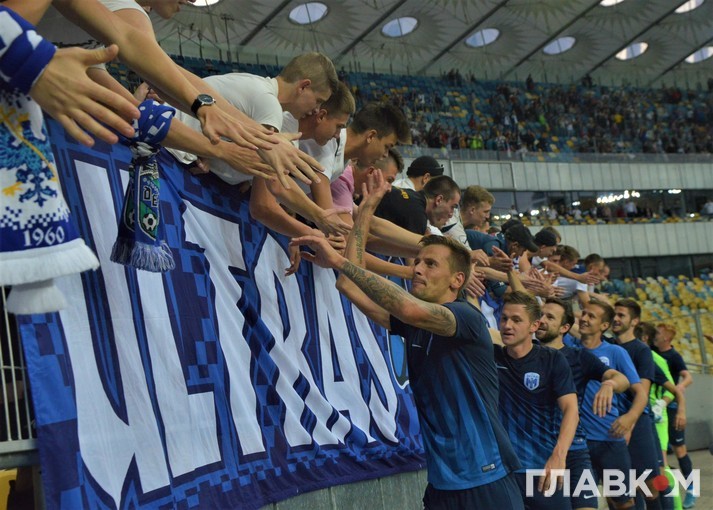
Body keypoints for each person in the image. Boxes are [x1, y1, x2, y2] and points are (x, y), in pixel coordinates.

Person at [291, 172, 524, 509]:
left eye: (430, 264)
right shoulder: (414, 323)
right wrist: (365, 212)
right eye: (417, 262)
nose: (417, 269)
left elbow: (408, 308)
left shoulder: (465, 318)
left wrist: (340, 260)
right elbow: (349, 285)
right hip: (442, 483)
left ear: (457, 279)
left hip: (486, 477)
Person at [536, 297, 630, 510]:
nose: (542, 320)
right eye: (540, 315)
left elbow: (622, 379)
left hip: (575, 450)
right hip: (539, 450)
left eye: (550, 317)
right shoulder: (524, 354)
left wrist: (609, 384)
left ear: (565, 328)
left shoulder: (579, 357)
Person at [495, 291, 579, 510]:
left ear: (534, 326)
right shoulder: (491, 358)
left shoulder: (551, 359)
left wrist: (559, 456)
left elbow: (571, 409)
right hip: (503, 474)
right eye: (504, 318)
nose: (507, 325)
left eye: (516, 320)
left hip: (543, 470)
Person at [572, 299, 644, 510]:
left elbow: (640, 393)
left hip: (608, 438)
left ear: (604, 325)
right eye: (583, 313)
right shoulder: (568, 349)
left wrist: (630, 418)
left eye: (591, 316)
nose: (584, 318)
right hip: (577, 443)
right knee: (582, 503)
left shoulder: (615, 352)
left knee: (621, 501)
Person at [611, 299, 666, 509]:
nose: (616, 318)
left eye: (621, 315)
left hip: (637, 421)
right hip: (611, 423)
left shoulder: (641, 350)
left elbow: (642, 391)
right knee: (617, 488)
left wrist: (630, 422)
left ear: (634, 321)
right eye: (614, 314)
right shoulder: (606, 345)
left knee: (649, 485)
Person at [652, 323, 696, 508]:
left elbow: (688, 377)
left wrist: (680, 388)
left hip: (671, 406)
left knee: (680, 450)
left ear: (666, 338)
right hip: (657, 407)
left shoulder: (673, 356)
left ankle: (692, 489)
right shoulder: (651, 351)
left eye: (658, 333)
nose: (654, 335)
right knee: (661, 456)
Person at [374, 175, 461, 236]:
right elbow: (414, 256)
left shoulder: (412, 195)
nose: (451, 214)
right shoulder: (417, 214)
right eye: (452, 207)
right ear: (439, 200)